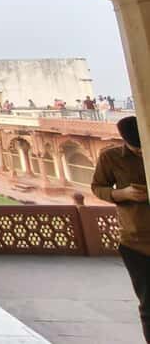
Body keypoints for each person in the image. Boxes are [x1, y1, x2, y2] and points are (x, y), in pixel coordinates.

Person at [91, 116, 150, 342]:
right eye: (136, 149)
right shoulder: (111, 157)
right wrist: (122, 194)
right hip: (137, 242)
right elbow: (98, 187)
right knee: (148, 303)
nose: (141, 152)